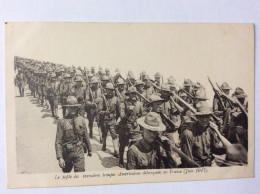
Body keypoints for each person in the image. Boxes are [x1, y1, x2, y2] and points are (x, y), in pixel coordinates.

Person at [180, 101, 226, 167]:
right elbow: (187, 158)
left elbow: (214, 149)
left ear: (210, 116)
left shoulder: (210, 129)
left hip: (208, 163)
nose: (204, 120)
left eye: (207, 116)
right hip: (195, 166)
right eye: (201, 117)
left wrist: (227, 149)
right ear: (197, 117)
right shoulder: (188, 133)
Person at [55, 96, 91, 173]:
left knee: (80, 174)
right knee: (66, 174)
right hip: (66, 153)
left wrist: (89, 149)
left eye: (75, 107)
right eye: (71, 108)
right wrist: (60, 157)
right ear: (67, 108)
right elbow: (58, 141)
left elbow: (86, 135)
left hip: (79, 151)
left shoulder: (81, 119)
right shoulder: (62, 122)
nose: (73, 110)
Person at [118, 86, 143, 168]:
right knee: (122, 145)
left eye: (134, 93)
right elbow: (122, 117)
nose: (133, 95)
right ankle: (121, 160)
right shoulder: (123, 103)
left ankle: (131, 162)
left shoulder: (139, 104)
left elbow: (140, 116)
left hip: (135, 128)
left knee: (135, 145)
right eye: (131, 94)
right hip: (124, 127)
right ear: (128, 94)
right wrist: (128, 112)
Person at [99, 83, 120, 157]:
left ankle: (116, 151)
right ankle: (104, 145)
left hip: (112, 120)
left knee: (114, 136)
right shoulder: (102, 99)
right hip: (104, 120)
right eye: (109, 90)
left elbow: (119, 111)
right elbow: (99, 111)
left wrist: (117, 120)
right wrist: (105, 112)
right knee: (104, 134)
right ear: (106, 90)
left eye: (111, 90)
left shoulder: (116, 99)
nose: (110, 92)